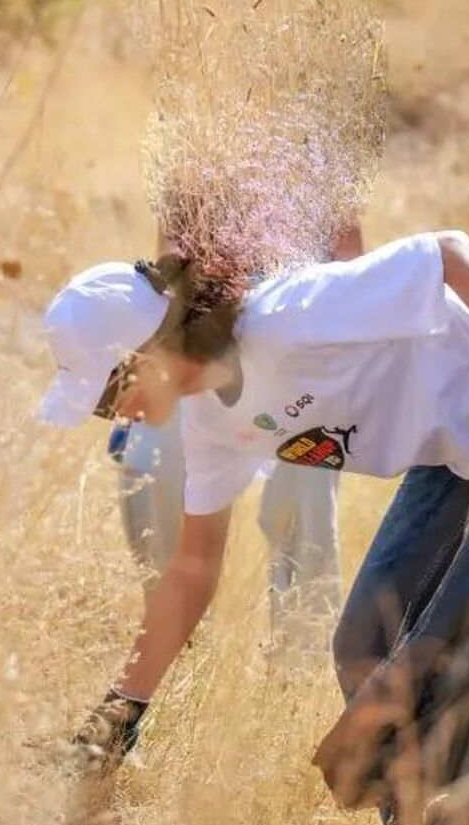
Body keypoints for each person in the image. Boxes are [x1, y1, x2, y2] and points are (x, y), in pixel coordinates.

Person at [38, 230, 469, 825]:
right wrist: (120, 712)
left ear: (147, 352)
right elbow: (192, 570)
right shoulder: (210, 424)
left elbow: (451, 254)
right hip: (462, 457)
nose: (116, 415)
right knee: (366, 643)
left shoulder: (290, 317)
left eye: (109, 398)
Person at [104, 222, 364, 651]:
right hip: (206, 338)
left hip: (296, 345)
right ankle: (174, 636)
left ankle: (298, 661)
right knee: (145, 458)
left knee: (304, 496)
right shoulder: (195, 164)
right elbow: (171, 257)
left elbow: (349, 258)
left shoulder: (318, 160)